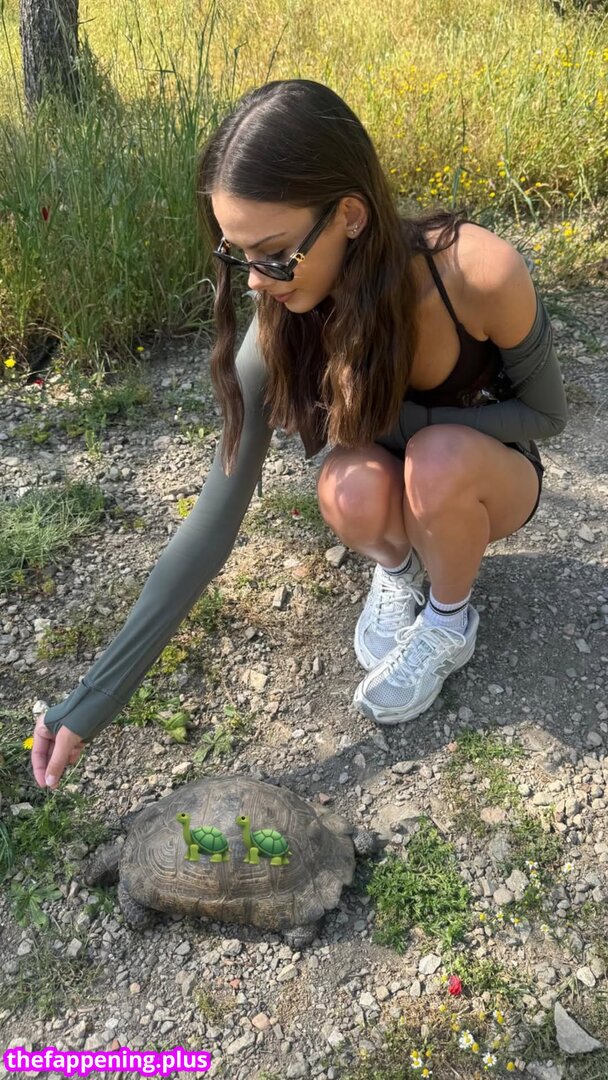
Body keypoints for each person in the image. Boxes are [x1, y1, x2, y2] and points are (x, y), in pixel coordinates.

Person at [31, 78, 567, 789]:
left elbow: (547, 415)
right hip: (407, 476)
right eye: (237, 254)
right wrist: (89, 703)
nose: (256, 282)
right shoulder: (281, 318)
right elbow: (213, 520)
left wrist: (404, 426)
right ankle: (403, 569)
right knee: (345, 487)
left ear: (350, 214)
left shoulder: (475, 272)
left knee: (433, 459)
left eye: (275, 254)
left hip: (492, 475)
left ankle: (449, 618)